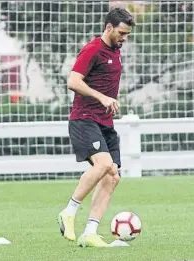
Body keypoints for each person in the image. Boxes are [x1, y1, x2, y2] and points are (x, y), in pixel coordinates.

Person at [58, 7, 135, 248]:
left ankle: (90, 231)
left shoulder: (116, 50)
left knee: (112, 176)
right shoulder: (93, 49)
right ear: (109, 27)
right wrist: (102, 97)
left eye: (127, 34)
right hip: (84, 118)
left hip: (105, 122)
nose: (124, 38)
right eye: (121, 33)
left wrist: (109, 101)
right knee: (103, 165)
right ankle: (69, 211)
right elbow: (73, 80)